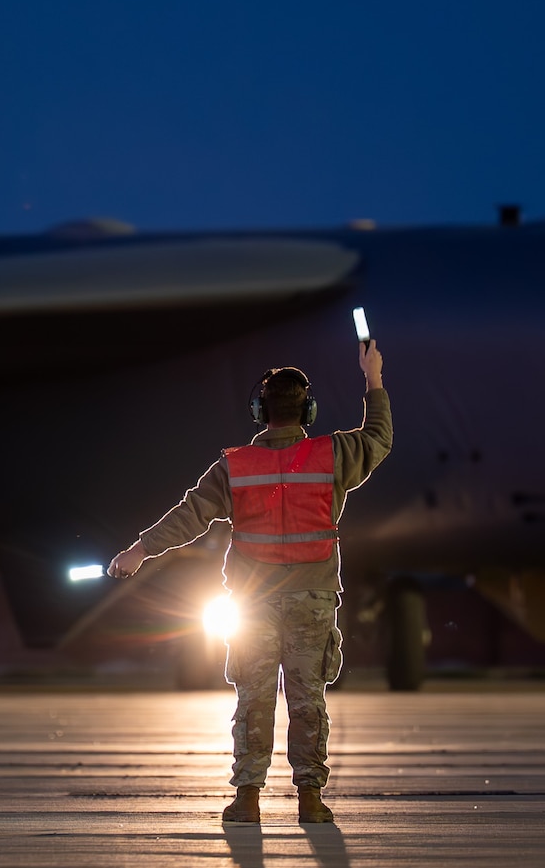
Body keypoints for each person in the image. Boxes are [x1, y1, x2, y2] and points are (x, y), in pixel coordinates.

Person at [109, 341, 391, 825]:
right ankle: (310, 798)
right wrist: (373, 378)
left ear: (259, 411)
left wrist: (139, 550)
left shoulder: (235, 466)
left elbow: (190, 516)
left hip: (252, 603)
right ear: (308, 409)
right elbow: (379, 437)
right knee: (308, 700)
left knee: (253, 699)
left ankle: (248, 798)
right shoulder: (333, 454)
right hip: (312, 600)